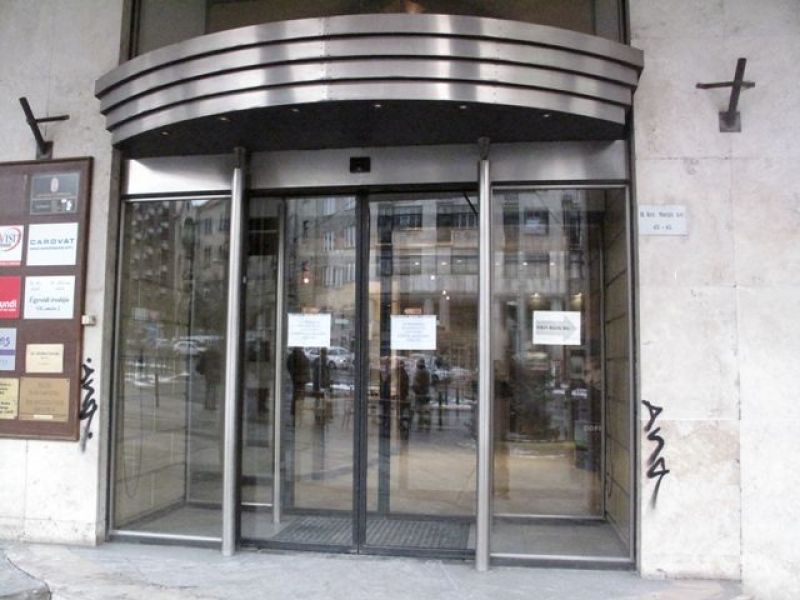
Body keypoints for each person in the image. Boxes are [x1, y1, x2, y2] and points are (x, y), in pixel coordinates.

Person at [286, 347, 310, 421]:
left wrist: (292, 374)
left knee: (296, 395)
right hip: (301, 379)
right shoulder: (301, 355)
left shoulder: (293, 355)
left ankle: (295, 410)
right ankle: (298, 410)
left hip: (297, 378)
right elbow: (306, 364)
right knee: (300, 396)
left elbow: (289, 365)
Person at [412, 358, 431, 431]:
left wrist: (415, 389)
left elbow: (416, 383)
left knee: (420, 410)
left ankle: (421, 426)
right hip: (425, 393)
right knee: (424, 410)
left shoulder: (419, 372)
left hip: (420, 393)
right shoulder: (426, 372)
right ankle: (426, 425)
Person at [396, 359, 411, 439]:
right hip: (402, 395)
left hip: (400, 395)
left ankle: (401, 424)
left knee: (400, 411)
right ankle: (401, 424)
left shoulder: (400, 374)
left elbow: (402, 386)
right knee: (400, 411)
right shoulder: (403, 374)